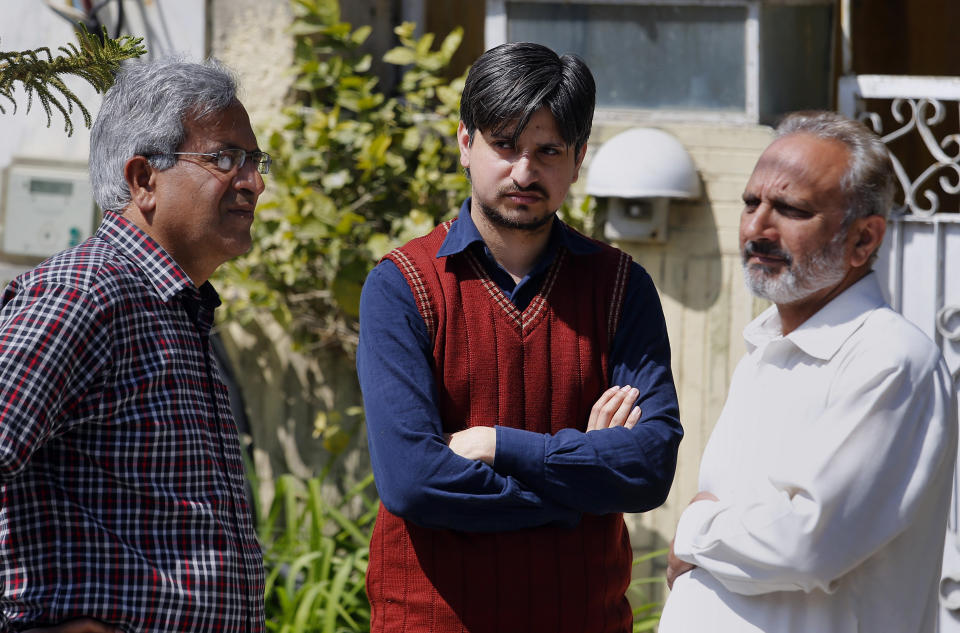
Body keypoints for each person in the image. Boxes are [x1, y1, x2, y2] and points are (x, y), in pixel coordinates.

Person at [356, 42, 683, 633]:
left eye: (548, 150)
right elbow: (413, 482)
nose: (525, 171)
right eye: (504, 145)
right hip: (432, 622)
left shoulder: (620, 288)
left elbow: (649, 467)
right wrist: (580, 484)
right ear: (464, 143)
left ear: (578, 158)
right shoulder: (403, 286)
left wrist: (499, 445)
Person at [659, 110, 958, 633]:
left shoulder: (891, 361)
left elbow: (809, 543)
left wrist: (696, 529)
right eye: (751, 203)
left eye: (790, 209)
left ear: (863, 241)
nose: (756, 227)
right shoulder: (767, 347)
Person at [0, 59, 269, 632]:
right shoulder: (86, 291)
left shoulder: (173, 306)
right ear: (144, 179)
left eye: (254, 160)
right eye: (225, 158)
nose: (253, 183)